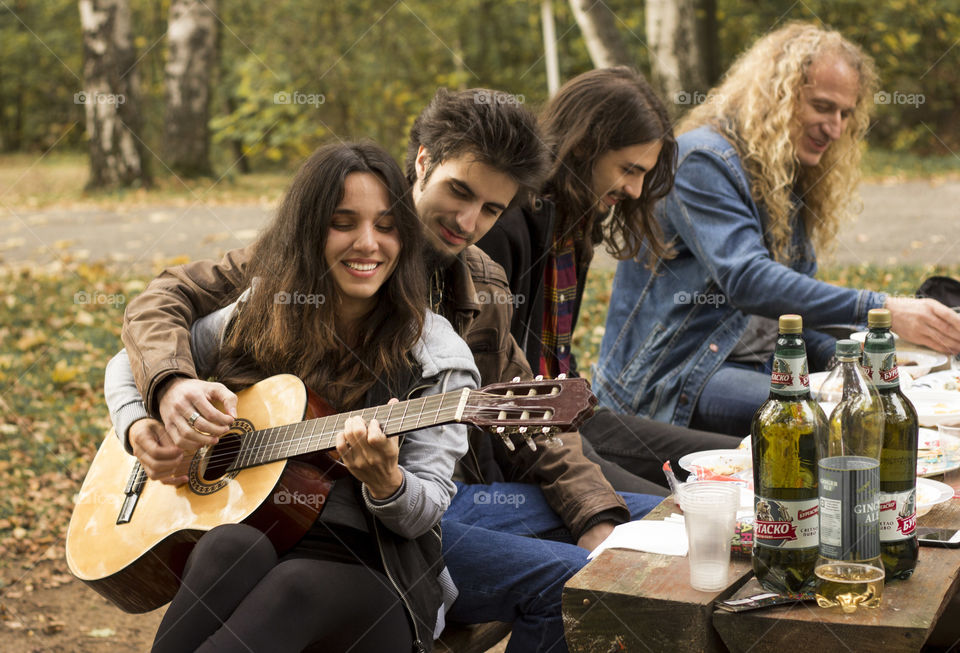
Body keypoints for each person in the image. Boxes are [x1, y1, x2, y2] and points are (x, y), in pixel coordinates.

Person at [111, 89, 662, 653]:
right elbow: (161, 307)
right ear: (422, 162)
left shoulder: (468, 304)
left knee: (656, 517)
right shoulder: (290, 273)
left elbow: (524, 411)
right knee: (233, 552)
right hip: (296, 510)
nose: (469, 222)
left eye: (492, 210)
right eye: (460, 192)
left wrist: (594, 512)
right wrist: (157, 400)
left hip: (429, 498)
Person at [105, 142, 481, 653]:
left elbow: (425, 511)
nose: (368, 243)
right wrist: (147, 412)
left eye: (387, 226)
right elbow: (128, 363)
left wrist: (387, 481)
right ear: (307, 231)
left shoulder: (435, 357)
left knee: (296, 584)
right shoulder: (260, 312)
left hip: (376, 584)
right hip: (263, 540)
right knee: (227, 547)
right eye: (343, 222)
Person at [594, 23, 960, 437]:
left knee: (882, 397)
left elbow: (794, 317)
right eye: (822, 107)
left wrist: (853, 360)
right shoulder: (703, 160)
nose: (836, 128)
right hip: (675, 377)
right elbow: (748, 280)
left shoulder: (786, 174)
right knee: (841, 419)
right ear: (775, 97)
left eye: (845, 113)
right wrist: (883, 309)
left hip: (758, 366)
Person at [477, 67, 742, 487]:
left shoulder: (573, 223)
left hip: (574, 417)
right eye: (629, 169)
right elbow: (500, 400)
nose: (636, 191)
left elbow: (555, 358)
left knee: (739, 459)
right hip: (527, 443)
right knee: (677, 510)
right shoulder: (506, 225)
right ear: (585, 147)